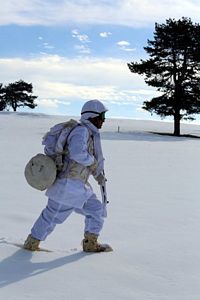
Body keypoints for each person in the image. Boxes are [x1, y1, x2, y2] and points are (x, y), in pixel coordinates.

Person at [24, 99, 112, 252]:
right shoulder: (82, 131)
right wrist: (92, 162)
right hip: (68, 185)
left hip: (78, 185)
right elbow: (77, 153)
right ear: (93, 116)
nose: (103, 121)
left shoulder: (89, 132)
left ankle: (90, 243)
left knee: (95, 210)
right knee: (52, 215)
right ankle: (32, 242)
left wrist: (97, 173)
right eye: (102, 116)